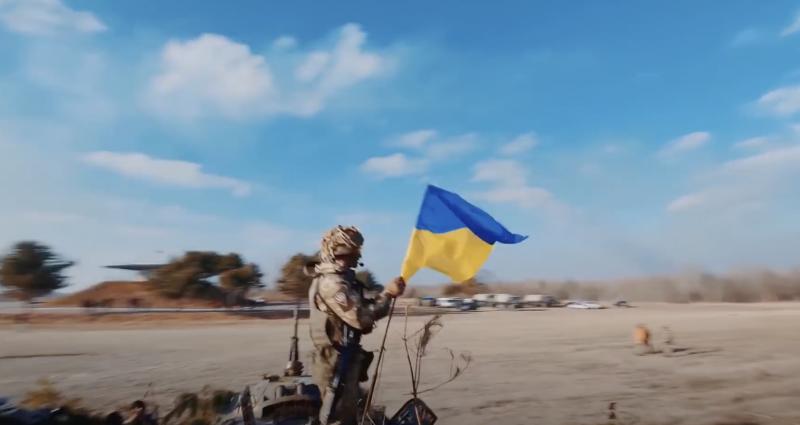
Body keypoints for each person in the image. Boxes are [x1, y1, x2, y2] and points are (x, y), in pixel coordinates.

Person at [309, 225, 405, 425]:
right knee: (339, 417)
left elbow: (362, 306)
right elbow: (360, 318)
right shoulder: (332, 284)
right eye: (347, 254)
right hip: (336, 363)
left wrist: (385, 296)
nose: (354, 258)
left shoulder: (342, 280)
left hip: (344, 357)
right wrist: (387, 295)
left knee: (352, 413)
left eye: (355, 253)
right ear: (332, 254)